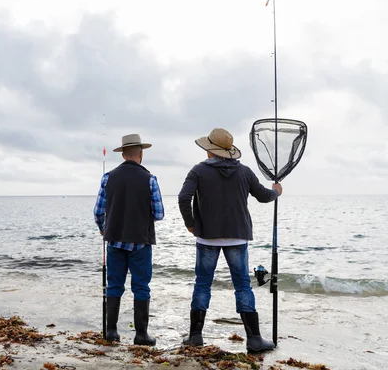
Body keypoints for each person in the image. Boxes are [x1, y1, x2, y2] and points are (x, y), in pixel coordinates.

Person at [178, 128, 281, 353]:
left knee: (202, 283)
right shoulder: (244, 172)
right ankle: (254, 339)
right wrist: (276, 192)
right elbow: (264, 196)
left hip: (207, 237)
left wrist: (191, 224)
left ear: (210, 151)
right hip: (237, 235)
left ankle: (195, 336)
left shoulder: (198, 171)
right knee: (242, 284)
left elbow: (184, 197)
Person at [94, 133, 165, 346]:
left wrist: (103, 229)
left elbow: (98, 211)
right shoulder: (150, 179)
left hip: (114, 240)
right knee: (141, 286)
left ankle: (111, 332)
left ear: (123, 154)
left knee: (114, 285)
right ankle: (141, 334)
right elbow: (159, 213)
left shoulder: (108, 177)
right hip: (141, 242)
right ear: (141, 154)